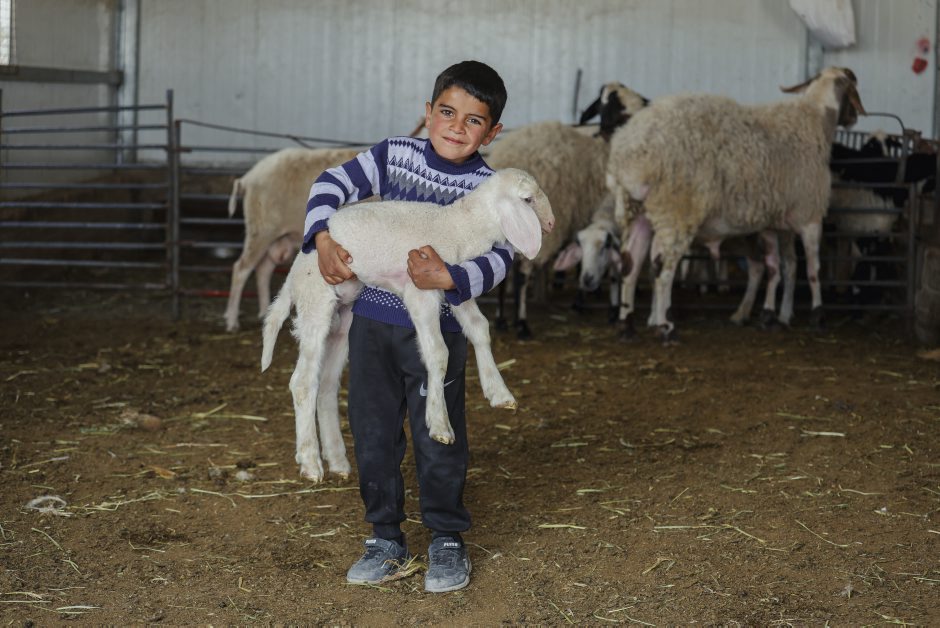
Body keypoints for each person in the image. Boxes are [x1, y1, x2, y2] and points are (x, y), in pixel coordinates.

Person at [302, 60, 509, 593]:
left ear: (492, 132)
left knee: (439, 434)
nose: (456, 127)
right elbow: (331, 182)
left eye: (473, 120)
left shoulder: (491, 188)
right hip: (372, 320)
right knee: (373, 432)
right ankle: (385, 538)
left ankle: (446, 536)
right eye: (447, 112)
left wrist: (453, 276)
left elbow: (503, 255)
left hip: (440, 330)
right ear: (428, 111)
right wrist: (322, 237)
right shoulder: (394, 155)